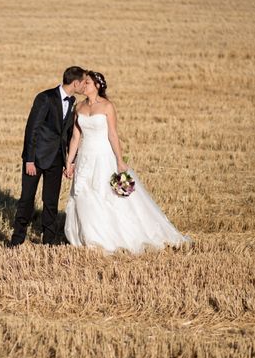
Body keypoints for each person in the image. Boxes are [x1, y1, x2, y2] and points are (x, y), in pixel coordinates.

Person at [64, 71, 191, 253]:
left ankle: (108, 237)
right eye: (84, 83)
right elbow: (75, 138)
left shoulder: (107, 107)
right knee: (85, 196)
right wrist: (70, 162)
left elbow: (113, 135)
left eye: (88, 83)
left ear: (98, 86)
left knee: (106, 196)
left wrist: (120, 160)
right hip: (85, 157)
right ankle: (90, 238)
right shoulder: (79, 107)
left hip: (103, 156)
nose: (84, 86)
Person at [10, 66, 87, 247]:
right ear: (75, 82)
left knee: (51, 202)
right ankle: (17, 239)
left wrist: (70, 161)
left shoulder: (73, 101)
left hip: (57, 159)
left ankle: (49, 241)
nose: (85, 86)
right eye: (83, 82)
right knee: (26, 200)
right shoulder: (45, 98)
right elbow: (32, 129)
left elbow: (69, 134)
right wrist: (29, 159)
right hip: (35, 159)